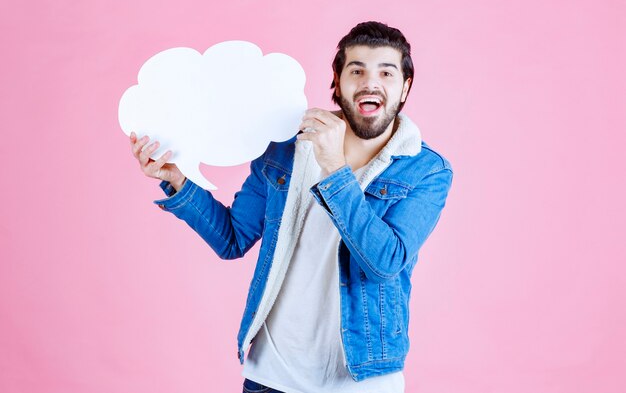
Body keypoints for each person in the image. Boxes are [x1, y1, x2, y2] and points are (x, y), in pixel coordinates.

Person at [129, 21, 453, 393]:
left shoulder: (426, 170)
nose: (370, 81)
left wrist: (335, 169)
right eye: (357, 70)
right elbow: (232, 239)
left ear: (405, 86)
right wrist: (178, 180)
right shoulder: (285, 148)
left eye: (386, 72)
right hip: (272, 376)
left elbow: (384, 263)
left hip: (363, 380)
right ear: (338, 79)